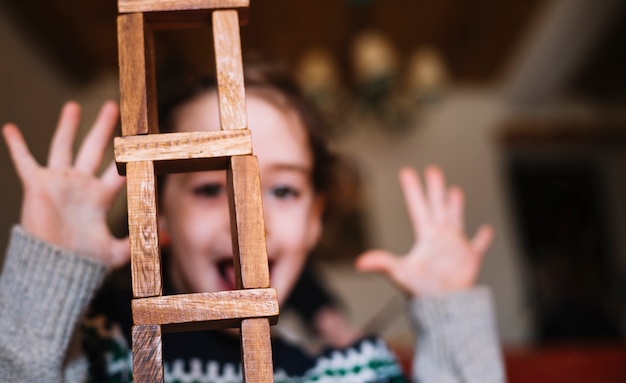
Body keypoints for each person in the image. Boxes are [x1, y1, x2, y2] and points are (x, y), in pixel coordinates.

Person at [0, 60, 505, 382]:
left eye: (283, 190)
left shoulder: (352, 373)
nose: (250, 219)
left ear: (315, 220)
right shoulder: (95, 353)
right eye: (208, 188)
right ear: (157, 214)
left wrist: (448, 314)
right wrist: (46, 287)